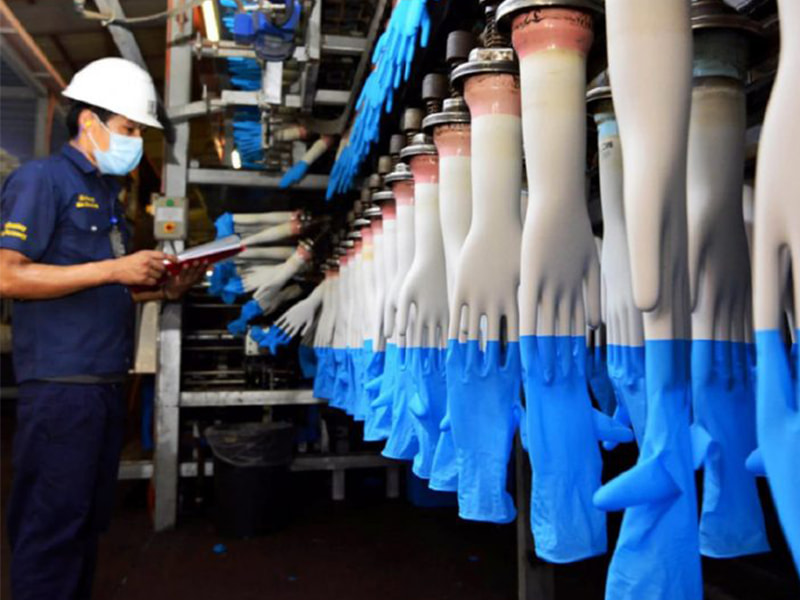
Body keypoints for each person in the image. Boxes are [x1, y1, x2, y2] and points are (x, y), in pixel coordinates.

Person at [0, 57, 205, 600]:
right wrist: (116, 268)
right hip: (62, 389)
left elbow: (96, 285)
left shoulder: (109, 200)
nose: (136, 141)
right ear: (88, 122)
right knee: (52, 527)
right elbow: (7, 275)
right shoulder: (41, 180)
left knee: (86, 524)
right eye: (130, 129)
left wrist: (163, 288)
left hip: (102, 386)